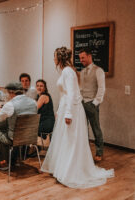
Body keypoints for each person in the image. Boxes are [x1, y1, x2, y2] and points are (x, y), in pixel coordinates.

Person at [41, 46, 114, 189]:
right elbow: (65, 93)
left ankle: (70, 170)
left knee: (71, 140)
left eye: (54, 56)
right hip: (67, 107)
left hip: (73, 109)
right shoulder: (66, 71)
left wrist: (68, 113)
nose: (53, 58)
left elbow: (73, 93)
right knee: (65, 139)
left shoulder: (68, 71)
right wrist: (60, 110)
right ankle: (62, 167)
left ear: (59, 58)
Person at [0, 82, 37, 166]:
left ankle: (2, 161)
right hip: (30, 137)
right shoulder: (33, 102)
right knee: (11, 130)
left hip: (14, 138)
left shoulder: (10, 105)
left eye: (8, 93)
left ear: (11, 92)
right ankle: (14, 159)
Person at [79, 48, 106, 162]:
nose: (81, 60)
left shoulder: (98, 70)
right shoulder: (82, 71)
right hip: (82, 103)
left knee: (96, 129)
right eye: (80, 58)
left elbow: (101, 88)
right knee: (82, 129)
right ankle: (84, 153)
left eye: (83, 57)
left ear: (89, 56)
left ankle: (99, 152)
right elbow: (80, 88)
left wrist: (95, 102)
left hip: (92, 104)